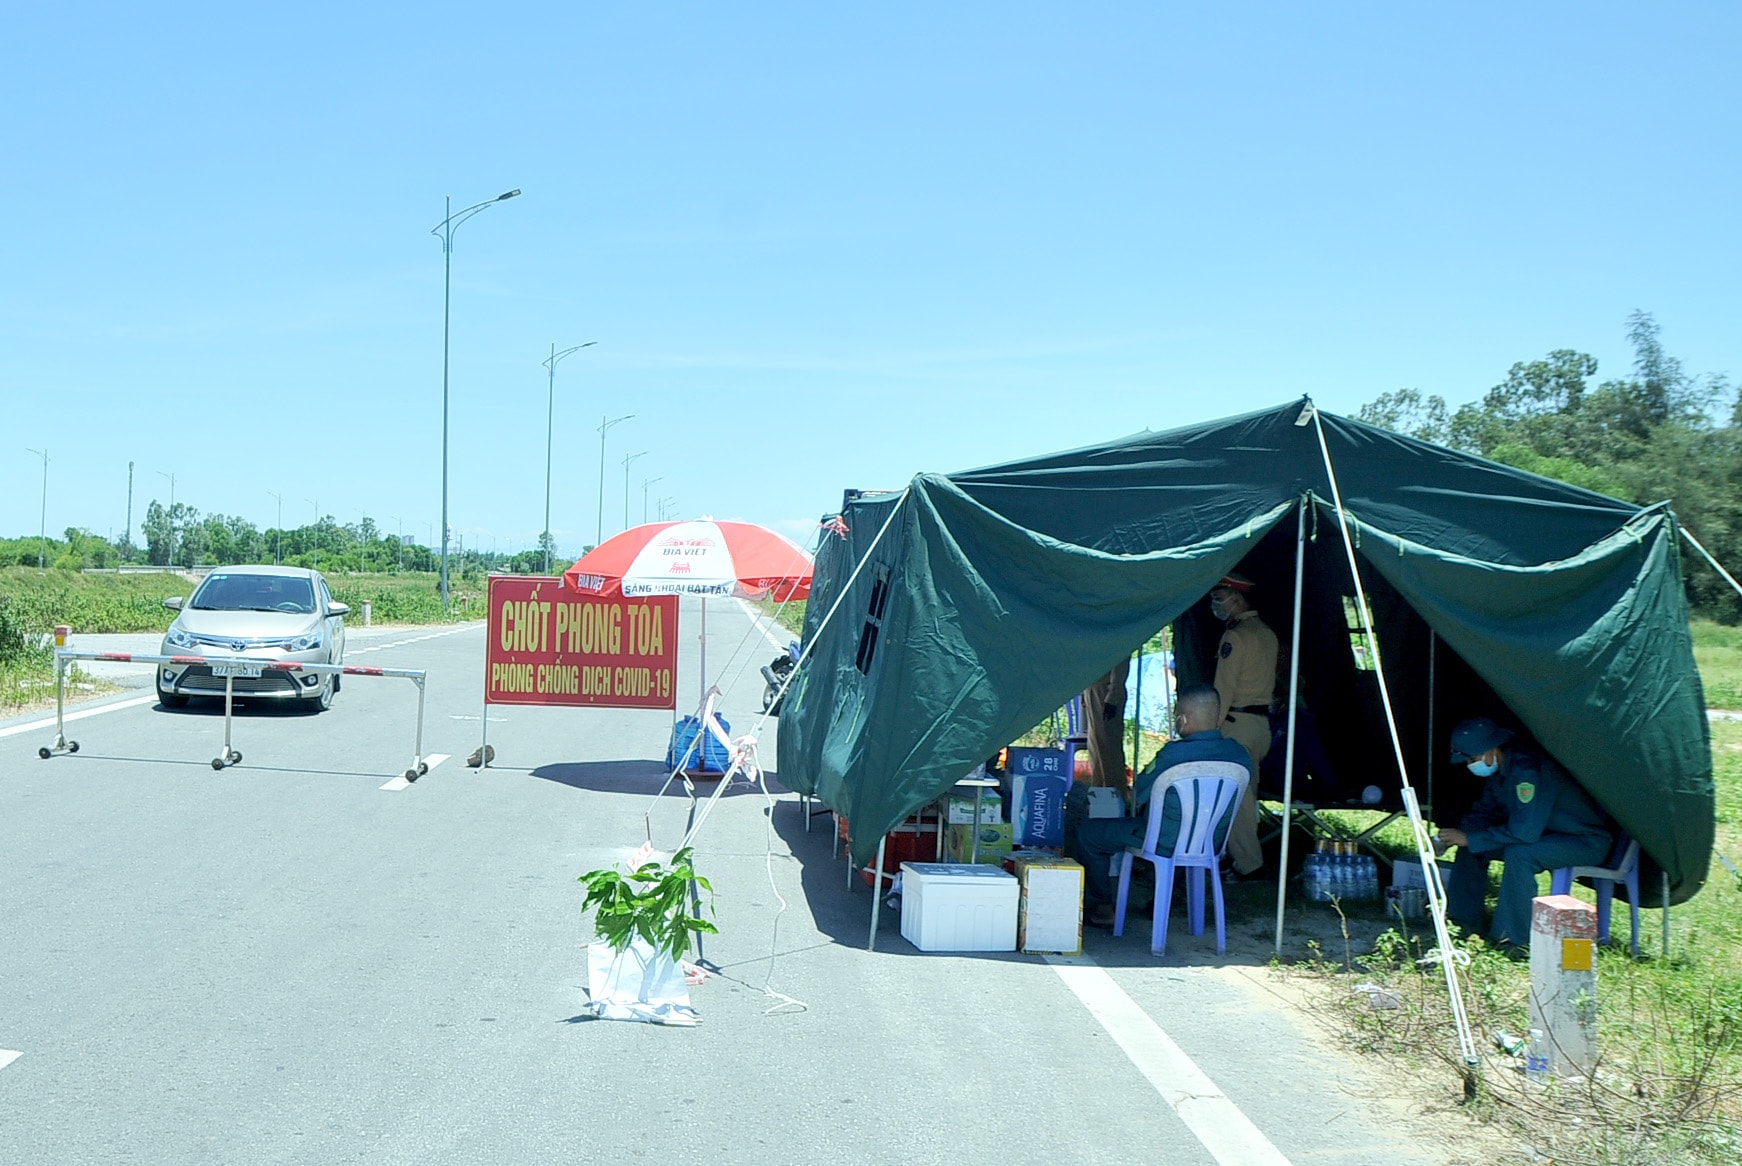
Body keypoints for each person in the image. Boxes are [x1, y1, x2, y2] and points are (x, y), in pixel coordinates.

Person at [1075, 684, 1252, 928]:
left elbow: (1138, 797)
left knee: (1090, 834)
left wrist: (1128, 796)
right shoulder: (1239, 755)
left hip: (1161, 840)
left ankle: (1104, 907)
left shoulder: (1172, 755)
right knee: (1186, 836)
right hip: (1209, 842)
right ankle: (1162, 901)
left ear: (1183, 720)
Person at [1437, 717, 1612, 951]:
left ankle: (1512, 940)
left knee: (1520, 855)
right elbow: (1485, 813)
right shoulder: (1500, 772)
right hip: (1545, 836)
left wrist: (1470, 838)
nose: (1470, 765)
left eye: (1472, 758)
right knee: (1473, 847)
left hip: (1583, 840)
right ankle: (1461, 923)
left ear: (1491, 750)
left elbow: (1524, 832)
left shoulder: (1527, 772)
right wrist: (1456, 837)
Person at [1208, 572, 1277, 877]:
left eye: (1219, 597)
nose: (1216, 604)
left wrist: (1211, 729)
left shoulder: (1234, 637)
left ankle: (1249, 863)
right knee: (1247, 792)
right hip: (1261, 725)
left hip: (1235, 724)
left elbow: (1223, 689)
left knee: (1236, 799)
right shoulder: (1266, 632)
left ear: (1237, 597)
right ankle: (1233, 854)